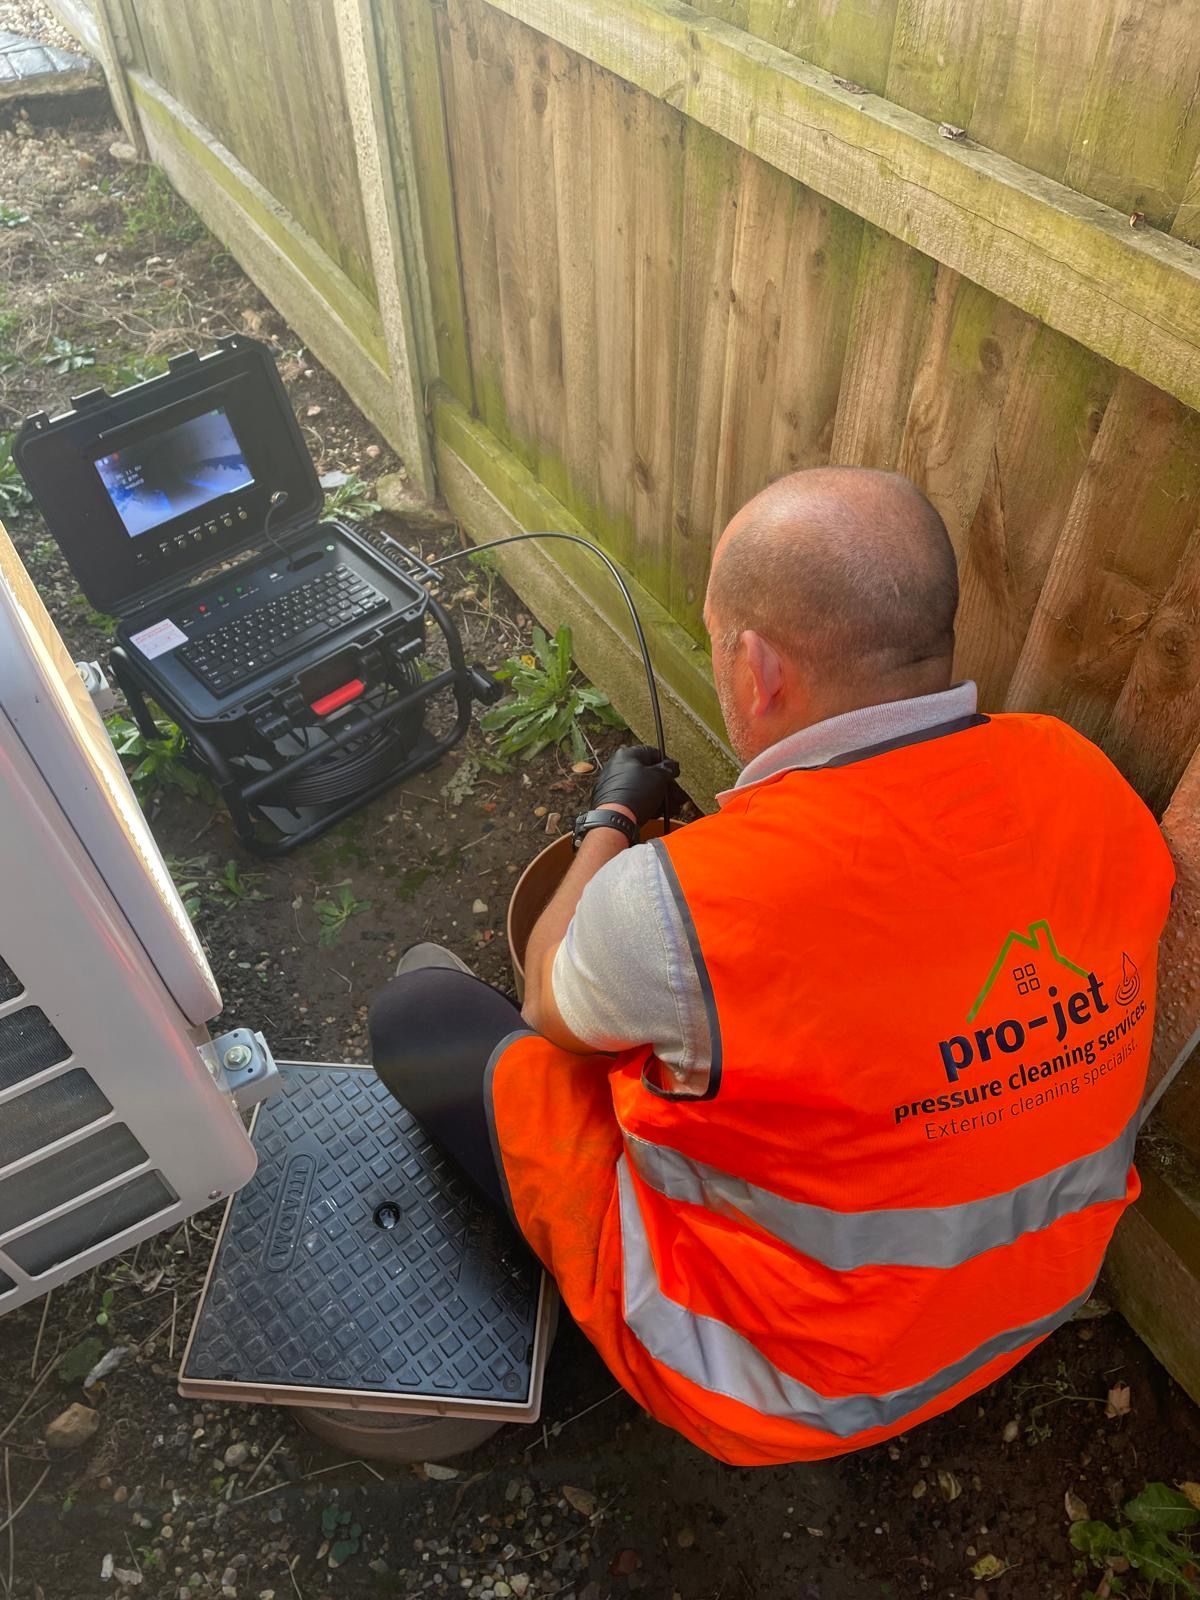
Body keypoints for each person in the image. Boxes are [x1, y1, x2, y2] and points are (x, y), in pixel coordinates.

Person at [369, 467, 1174, 1467]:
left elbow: (543, 999)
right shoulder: (1078, 773)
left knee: (424, 1014)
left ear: (757, 667)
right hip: (1030, 1302)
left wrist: (610, 820)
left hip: (771, 1387)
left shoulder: (686, 900)